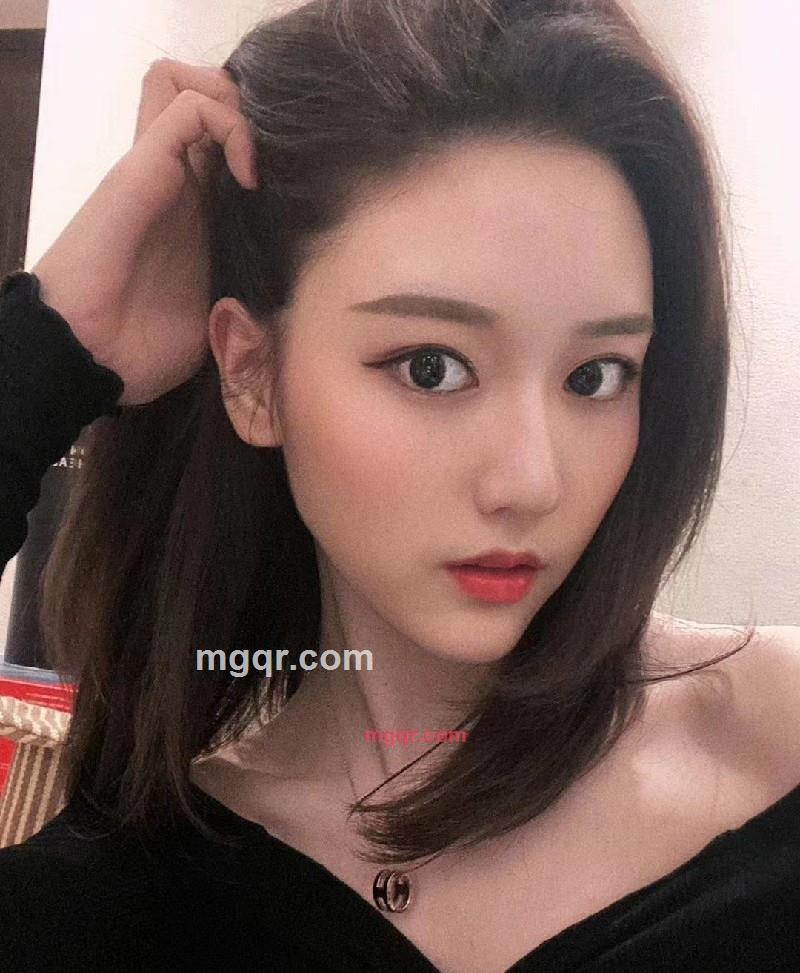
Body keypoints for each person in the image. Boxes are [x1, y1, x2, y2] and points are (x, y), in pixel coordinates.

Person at [0, 0, 799, 970]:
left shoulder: (779, 737)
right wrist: (41, 352)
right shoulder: (111, 901)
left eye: (595, 376)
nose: (531, 480)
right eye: (432, 367)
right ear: (252, 373)